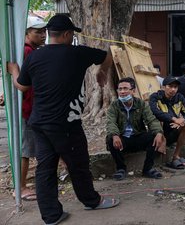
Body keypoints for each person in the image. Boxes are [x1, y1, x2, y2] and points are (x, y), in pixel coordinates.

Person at [7, 14, 119, 225]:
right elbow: (108, 56)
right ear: (67, 34)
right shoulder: (78, 53)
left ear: (49, 34)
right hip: (66, 124)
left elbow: (22, 86)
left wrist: (14, 71)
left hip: (38, 122)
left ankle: (51, 216)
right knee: (78, 164)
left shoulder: (34, 57)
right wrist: (101, 72)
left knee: (45, 168)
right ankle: (91, 201)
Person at [106, 77, 166, 180]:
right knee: (110, 138)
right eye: (120, 89)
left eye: (125, 89)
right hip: (122, 139)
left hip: (137, 136)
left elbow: (151, 120)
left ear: (133, 91)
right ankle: (121, 169)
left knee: (154, 136)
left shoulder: (141, 104)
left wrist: (159, 132)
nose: (122, 92)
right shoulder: (114, 105)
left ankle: (148, 169)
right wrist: (115, 135)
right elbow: (110, 122)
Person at [18, 16, 47, 201]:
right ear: (27, 33)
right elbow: (25, 84)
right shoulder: (28, 51)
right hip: (28, 109)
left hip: (33, 108)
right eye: (38, 32)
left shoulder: (31, 50)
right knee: (26, 150)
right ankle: (20, 188)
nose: (43, 35)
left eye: (44, 31)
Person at [149, 76, 185, 169]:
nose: (173, 89)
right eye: (170, 86)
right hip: (159, 130)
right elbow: (155, 112)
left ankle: (176, 156)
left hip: (174, 128)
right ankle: (166, 159)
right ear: (163, 87)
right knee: (160, 121)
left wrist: (183, 121)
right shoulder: (155, 97)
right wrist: (174, 119)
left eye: (175, 87)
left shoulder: (179, 97)